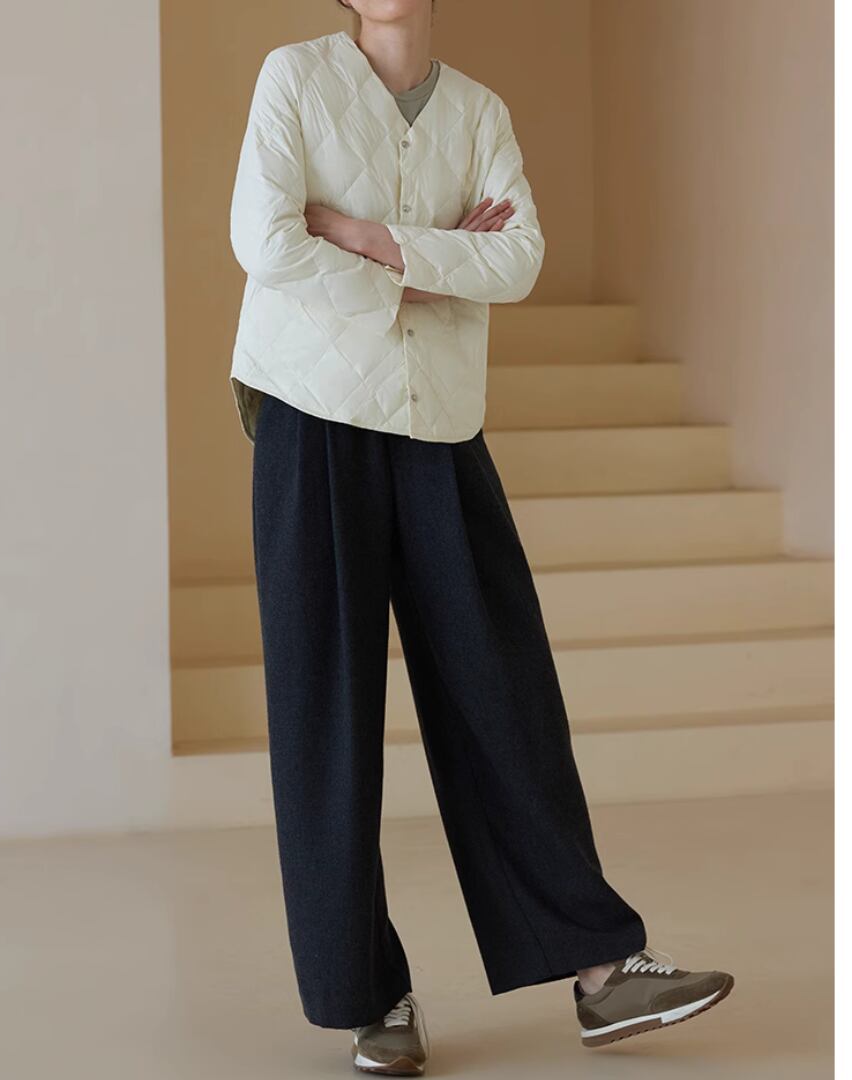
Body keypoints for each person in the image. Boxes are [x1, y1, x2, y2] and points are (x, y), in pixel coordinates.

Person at [228, 2, 734, 1074]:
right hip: (312, 421)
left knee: (504, 693)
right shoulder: (294, 78)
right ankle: (370, 999)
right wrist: (440, 260)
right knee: (327, 714)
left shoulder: (478, 111)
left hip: (441, 424)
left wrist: (363, 236)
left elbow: (519, 261)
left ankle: (601, 971)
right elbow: (266, 244)